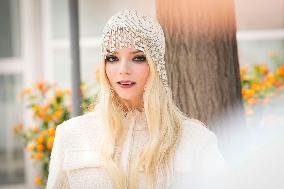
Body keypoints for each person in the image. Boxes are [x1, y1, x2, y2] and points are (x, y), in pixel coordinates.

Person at [46, 10, 229, 189]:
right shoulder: (70, 135)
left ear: (156, 65)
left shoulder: (195, 139)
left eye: (138, 58)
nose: (123, 69)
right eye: (112, 58)